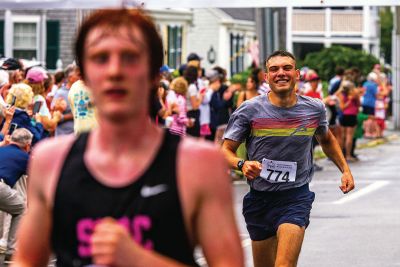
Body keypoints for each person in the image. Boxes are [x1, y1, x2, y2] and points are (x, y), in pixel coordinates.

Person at [13, 9, 243, 267]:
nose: (114, 71)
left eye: (130, 58)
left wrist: (138, 259)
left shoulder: (199, 163)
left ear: (155, 75)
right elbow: (25, 260)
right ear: (85, 76)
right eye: (100, 58)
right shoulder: (50, 160)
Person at [222, 50, 354, 267]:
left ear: (297, 74)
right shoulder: (249, 110)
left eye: (286, 68)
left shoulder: (314, 109)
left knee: (284, 265)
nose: (280, 73)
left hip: (295, 198)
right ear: (266, 77)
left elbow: (327, 140)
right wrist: (242, 164)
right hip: (259, 199)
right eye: (274, 69)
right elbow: (225, 150)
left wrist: (345, 170)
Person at [0, 128, 32, 261]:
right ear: (28, 145)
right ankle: (12, 251)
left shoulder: (1, 150)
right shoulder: (26, 157)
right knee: (21, 208)